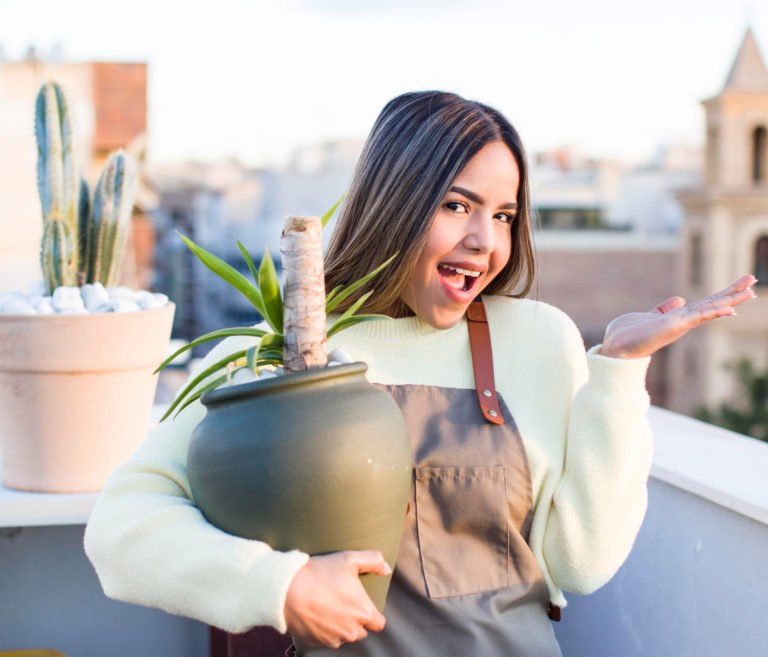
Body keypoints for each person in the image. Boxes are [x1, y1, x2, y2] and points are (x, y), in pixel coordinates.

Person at [84, 91, 757, 656]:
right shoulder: (276, 356)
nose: (486, 242)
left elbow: (582, 562)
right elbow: (120, 528)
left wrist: (620, 369)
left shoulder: (539, 340)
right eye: (457, 205)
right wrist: (280, 585)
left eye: (504, 215)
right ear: (396, 202)